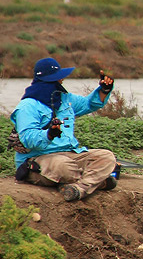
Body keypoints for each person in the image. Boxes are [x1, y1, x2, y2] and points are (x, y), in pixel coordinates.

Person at [9, 57, 119, 202]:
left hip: (69, 154)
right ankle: (98, 181)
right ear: (49, 81)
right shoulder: (27, 106)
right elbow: (28, 139)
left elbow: (88, 104)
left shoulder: (65, 99)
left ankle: (80, 188)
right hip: (39, 158)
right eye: (58, 78)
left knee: (106, 157)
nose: (62, 81)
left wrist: (104, 90)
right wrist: (49, 134)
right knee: (63, 167)